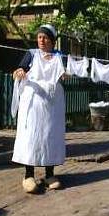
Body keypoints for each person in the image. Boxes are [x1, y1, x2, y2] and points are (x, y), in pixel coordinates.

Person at [12, 24, 67, 193]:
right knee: (32, 136)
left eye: (45, 37)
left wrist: (66, 74)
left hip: (52, 105)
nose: (41, 40)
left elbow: (66, 73)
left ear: (52, 40)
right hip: (33, 104)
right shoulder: (31, 54)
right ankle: (28, 175)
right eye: (39, 37)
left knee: (49, 136)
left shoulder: (60, 56)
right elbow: (17, 71)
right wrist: (19, 72)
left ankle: (49, 174)